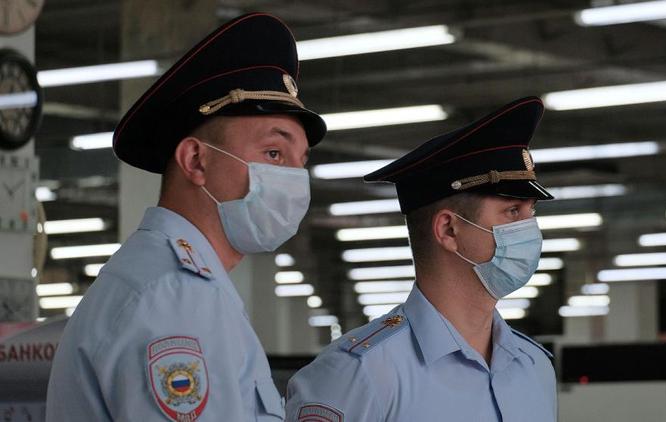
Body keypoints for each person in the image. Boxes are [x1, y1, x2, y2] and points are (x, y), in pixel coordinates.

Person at [46, 13, 326, 421]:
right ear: (196, 160)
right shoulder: (173, 298)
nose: (293, 179)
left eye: (299, 162)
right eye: (273, 154)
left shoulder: (181, 287)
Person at [285, 97, 557, 422]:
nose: (530, 228)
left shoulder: (533, 365)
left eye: (531, 212)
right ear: (448, 230)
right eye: (513, 212)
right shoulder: (359, 373)